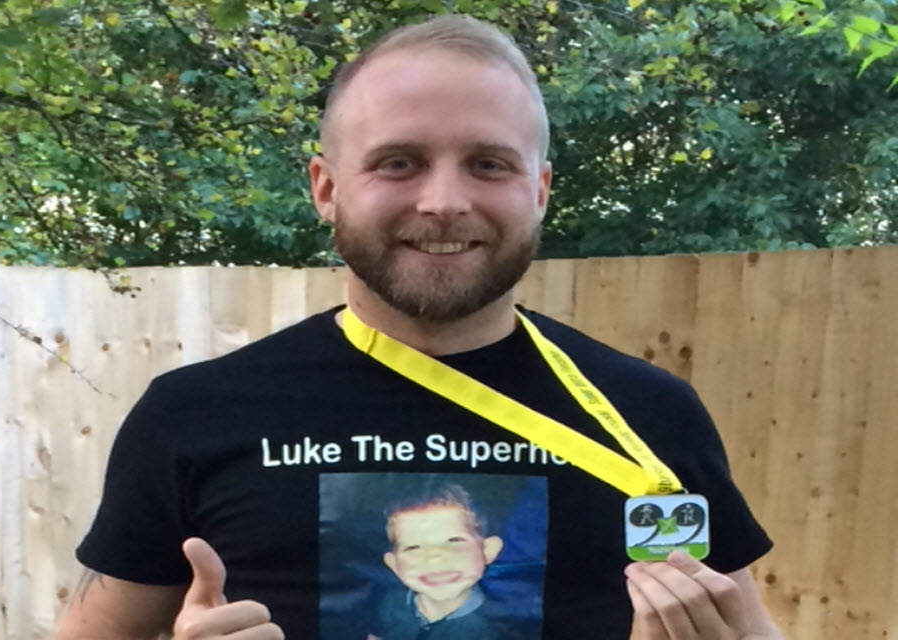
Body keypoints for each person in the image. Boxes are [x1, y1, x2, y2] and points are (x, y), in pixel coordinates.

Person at [53, 14, 784, 640]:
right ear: (327, 189)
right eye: (399, 162)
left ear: (539, 190)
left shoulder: (651, 419)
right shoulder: (192, 416)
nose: (444, 200)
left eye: (489, 164)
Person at [369, 483, 532, 640]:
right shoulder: (391, 602)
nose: (434, 557)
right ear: (394, 564)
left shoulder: (500, 630)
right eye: (413, 547)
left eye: (454, 540)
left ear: (487, 550)